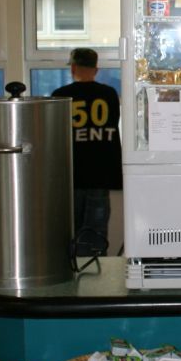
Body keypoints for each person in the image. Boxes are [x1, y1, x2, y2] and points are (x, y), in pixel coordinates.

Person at [51, 48, 122, 257]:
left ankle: (73, 273)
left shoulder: (60, 96)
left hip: (70, 176)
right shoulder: (109, 94)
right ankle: (96, 273)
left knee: (69, 233)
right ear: (96, 69)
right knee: (96, 234)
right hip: (101, 175)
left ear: (73, 68)